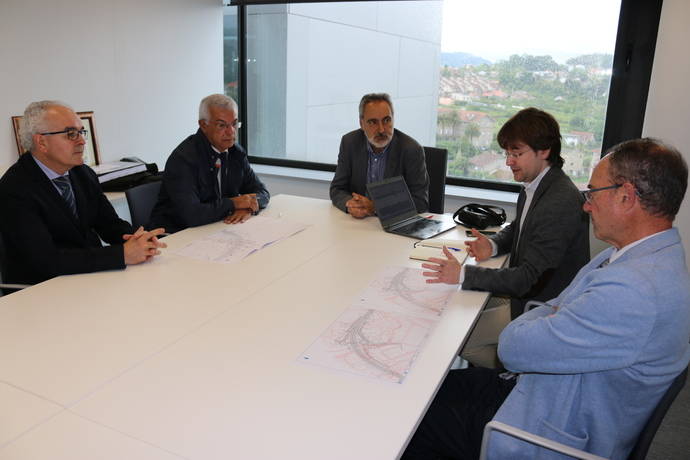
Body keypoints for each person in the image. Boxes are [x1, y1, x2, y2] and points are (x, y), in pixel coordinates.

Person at [403, 138, 690, 460]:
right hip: (548, 389)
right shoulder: (638, 256)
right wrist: (554, 313)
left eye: (593, 193)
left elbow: (512, 348)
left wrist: (551, 314)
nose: (586, 205)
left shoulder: (635, 290)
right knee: (424, 391)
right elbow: (556, 305)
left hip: (542, 426)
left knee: (408, 420)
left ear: (626, 196)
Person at [422, 108, 590, 367]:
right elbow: (519, 227)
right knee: (455, 309)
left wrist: (463, 274)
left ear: (544, 151)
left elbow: (527, 280)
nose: (509, 162)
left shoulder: (560, 201)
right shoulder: (536, 185)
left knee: (459, 338)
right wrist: (492, 244)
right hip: (526, 291)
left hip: (540, 306)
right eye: (507, 154)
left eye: (516, 153)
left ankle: (516, 371)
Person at [0, 101, 166, 286]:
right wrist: (121, 254)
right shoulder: (14, 188)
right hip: (41, 288)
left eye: (81, 132)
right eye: (71, 134)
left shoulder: (82, 173)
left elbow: (108, 223)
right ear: (42, 142)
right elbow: (44, 260)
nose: (82, 141)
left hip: (88, 275)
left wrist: (136, 238)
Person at [150, 94, 270, 233]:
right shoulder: (184, 159)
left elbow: (263, 193)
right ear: (203, 125)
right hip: (174, 235)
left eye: (234, 124)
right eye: (222, 125)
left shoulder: (236, 153)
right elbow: (192, 215)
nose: (231, 132)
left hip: (215, 227)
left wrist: (248, 207)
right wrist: (234, 204)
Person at [329, 93, 429, 218]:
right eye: (373, 122)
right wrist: (350, 205)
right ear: (362, 123)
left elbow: (420, 202)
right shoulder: (350, 143)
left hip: (393, 224)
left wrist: (375, 206)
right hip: (358, 223)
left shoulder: (411, 150)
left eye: (387, 120)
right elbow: (337, 189)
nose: (381, 129)